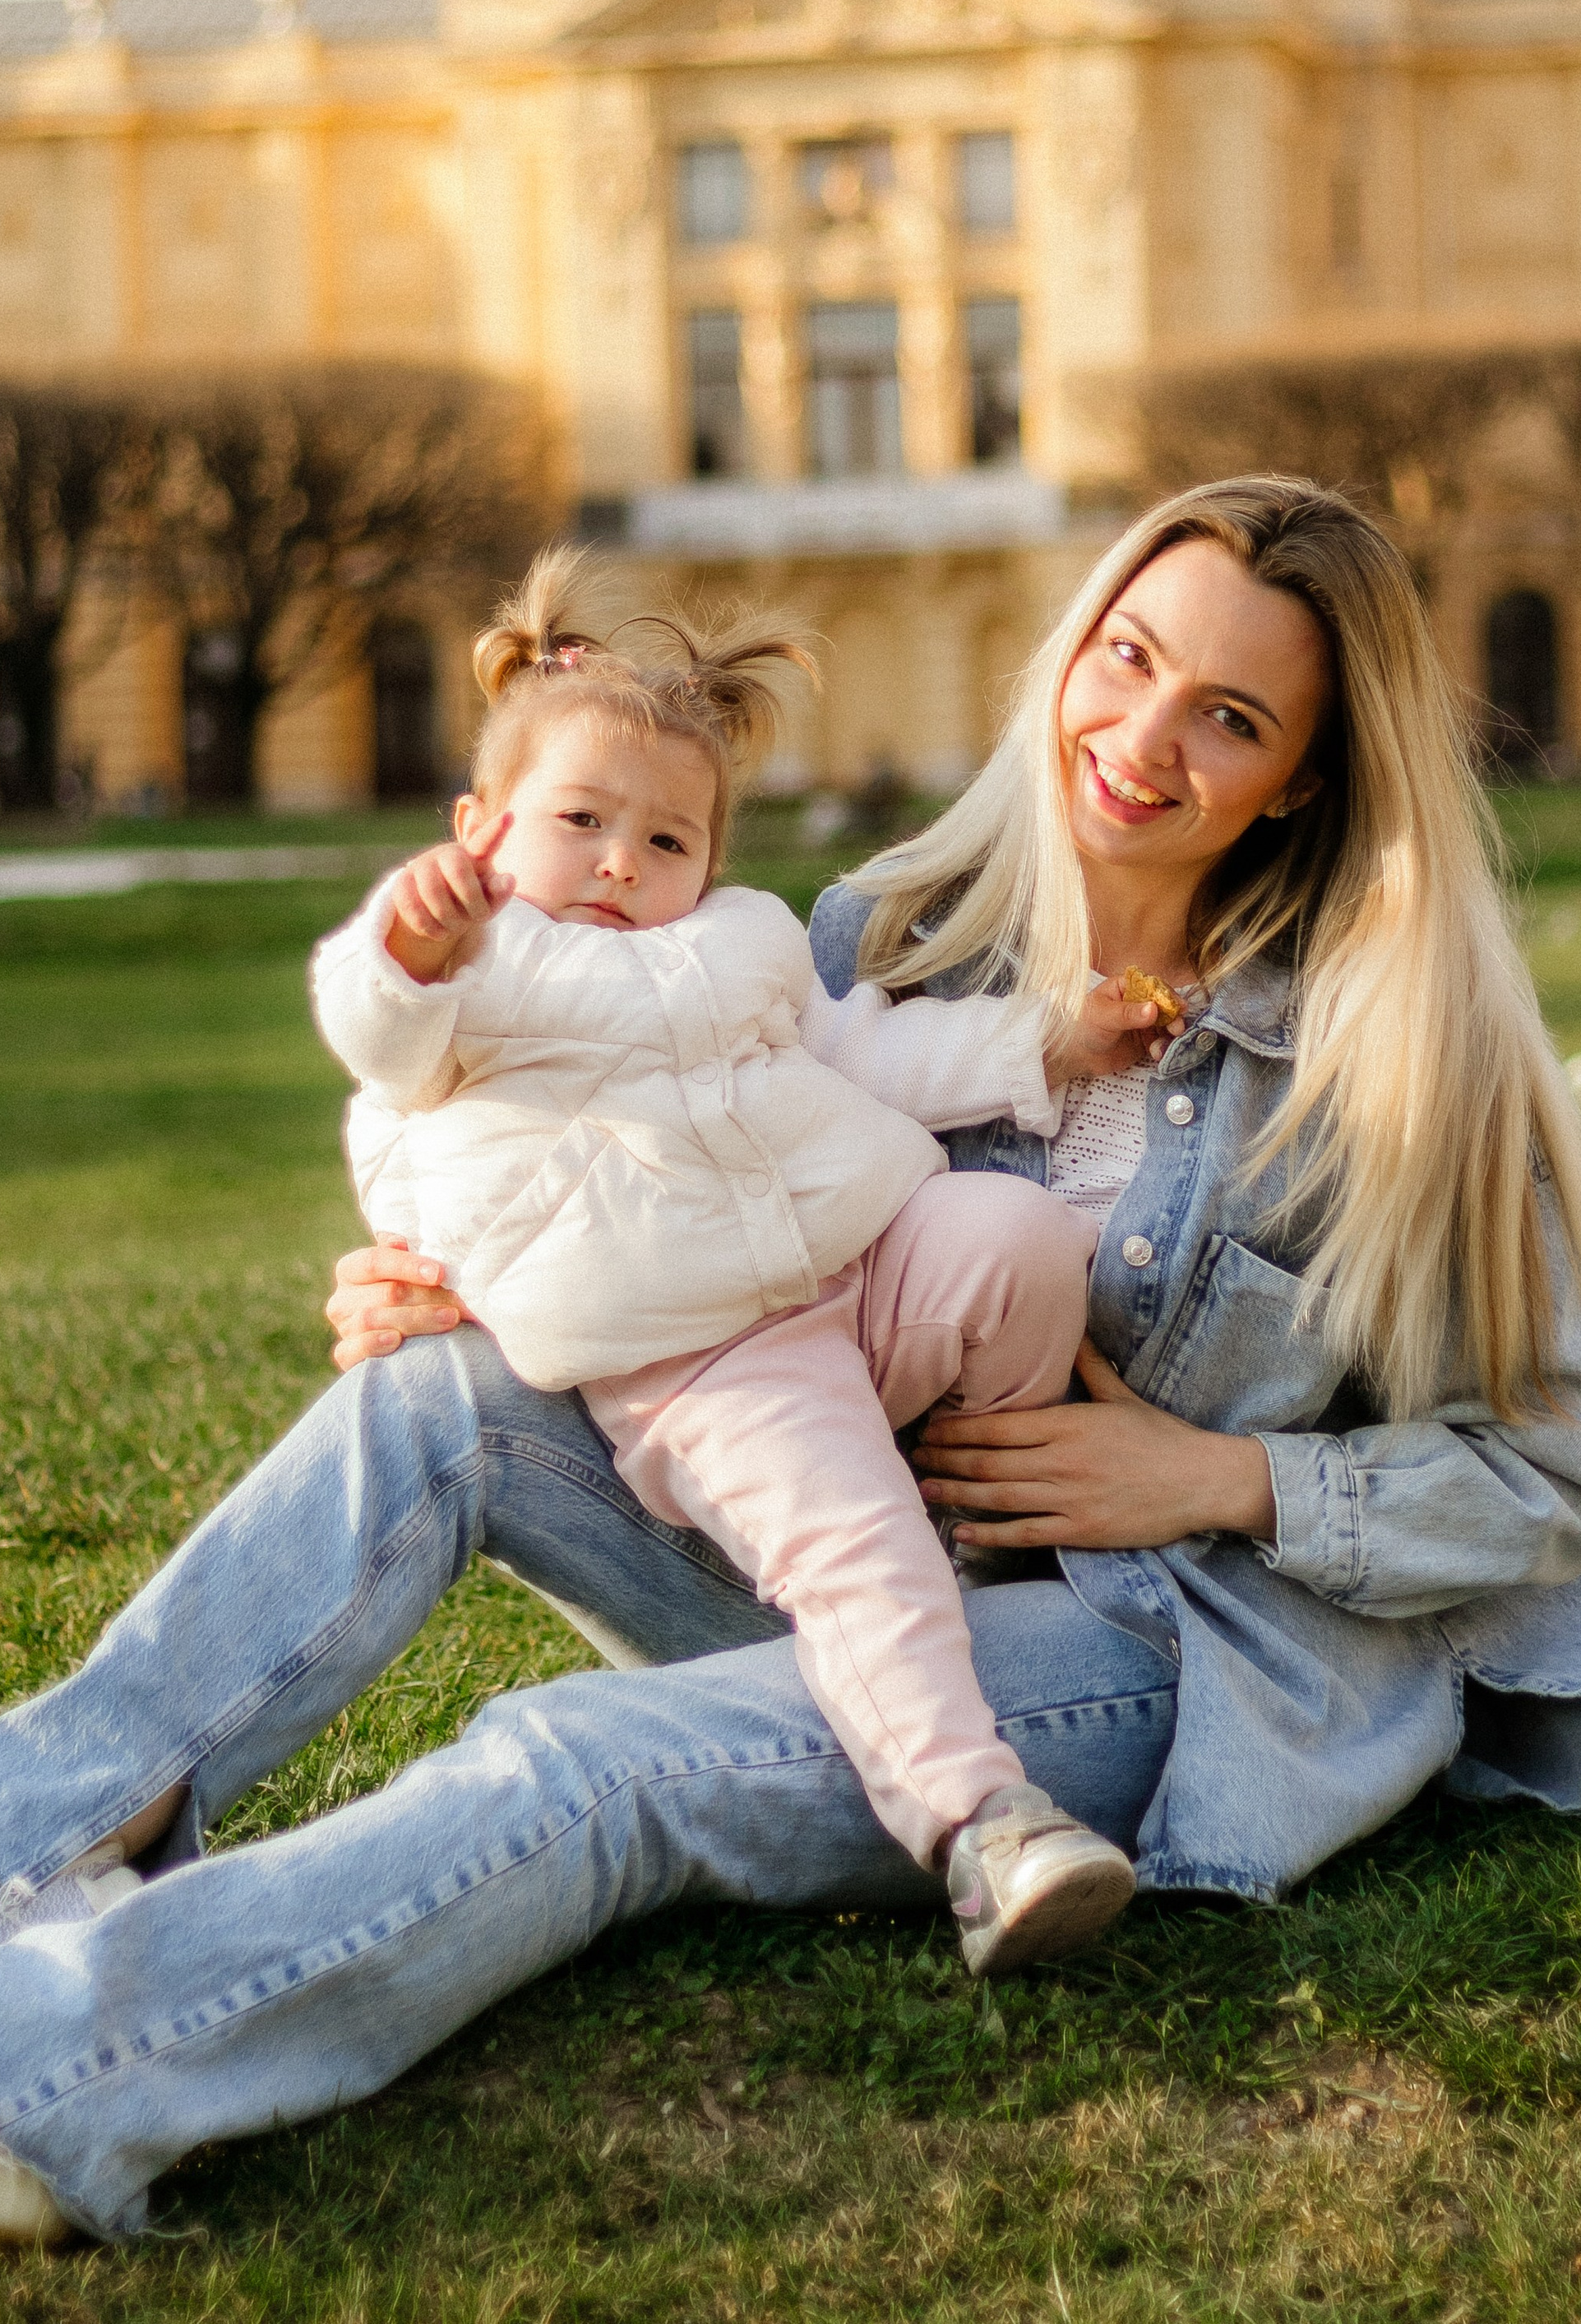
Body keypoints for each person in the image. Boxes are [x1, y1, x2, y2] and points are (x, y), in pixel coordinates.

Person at [0, 479, 1581, 2251]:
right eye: (1128, 658)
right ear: (1071, 650)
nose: (1143, 737)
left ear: (1295, 780)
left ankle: (36, 2081)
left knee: (585, 1762)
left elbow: (1550, 1496)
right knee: (426, 1406)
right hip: (818, 1544)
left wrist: (1228, 1481)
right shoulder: (877, 940)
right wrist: (461, 1283)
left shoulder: (1387, 1061)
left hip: (1129, 1662)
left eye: (1229, 717)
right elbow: (610, 1152)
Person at [310, 551, 1144, 1961]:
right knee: (853, 1551)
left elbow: (870, 1052)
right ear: (482, 829)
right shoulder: (470, 979)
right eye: (578, 822)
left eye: (668, 842)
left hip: (856, 1264)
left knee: (1014, 1240)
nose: (622, 865)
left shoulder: (737, 946)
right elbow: (375, 1038)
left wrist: (1045, 1045)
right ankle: (979, 1822)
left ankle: (991, 1543)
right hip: (711, 1354)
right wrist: (410, 947)